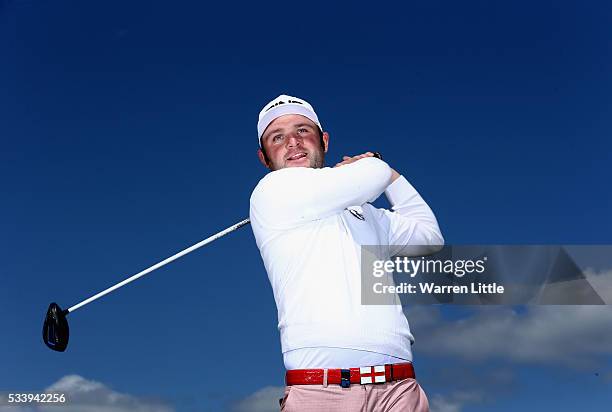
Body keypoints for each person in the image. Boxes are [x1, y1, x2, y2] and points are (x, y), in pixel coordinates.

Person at [249, 94, 444, 411]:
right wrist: (375, 164)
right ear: (264, 157)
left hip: (398, 388)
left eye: (302, 130)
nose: (293, 143)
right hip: (319, 391)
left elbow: (429, 237)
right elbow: (371, 174)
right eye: (277, 137)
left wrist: (391, 176)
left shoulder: (364, 211)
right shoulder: (271, 192)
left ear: (323, 140)